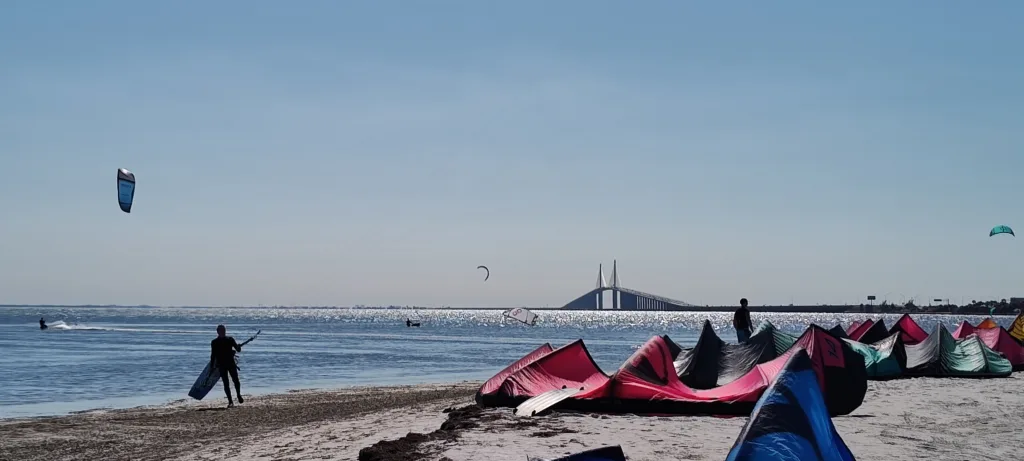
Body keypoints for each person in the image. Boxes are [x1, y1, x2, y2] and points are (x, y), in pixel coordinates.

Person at [211, 324, 244, 407]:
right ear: (217, 332)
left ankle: (238, 395)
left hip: (231, 363)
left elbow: (238, 350)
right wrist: (212, 366)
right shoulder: (214, 342)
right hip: (221, 365)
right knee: (226, 384)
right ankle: (230, 401)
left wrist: (238, 347)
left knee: (236, 381)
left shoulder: (230, 339)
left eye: (224, 330)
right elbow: (213, 355)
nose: (223, 332)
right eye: (221, 331)